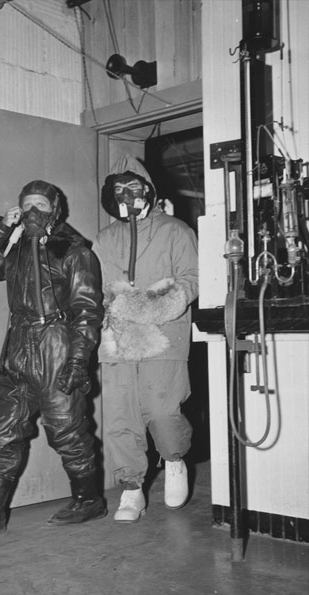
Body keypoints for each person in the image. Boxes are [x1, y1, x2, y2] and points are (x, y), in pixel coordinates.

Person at [0, 180, 107, 534]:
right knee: (2, 429)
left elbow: (87, 311)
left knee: (67, 429)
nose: (33, 211)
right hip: (18, 349)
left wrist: (77, 360)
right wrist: (1, 228)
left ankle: (89, 500)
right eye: (26, 205)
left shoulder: (75, 251)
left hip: (56, 346)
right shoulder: (17, 250)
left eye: (41, 204)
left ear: (55, 210)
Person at [92, 155, 198, 523]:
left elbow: (192, 279)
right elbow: (95, 287)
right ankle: (131, 487)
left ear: (148, 191)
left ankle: (174, 459)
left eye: (133, 186)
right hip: (118, 339)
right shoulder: (105, 238)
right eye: (118, 188)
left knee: (162, 411)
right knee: (120, 416)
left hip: (163, 336)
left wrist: (156, 305)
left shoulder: (176, 231)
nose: (126, 194)